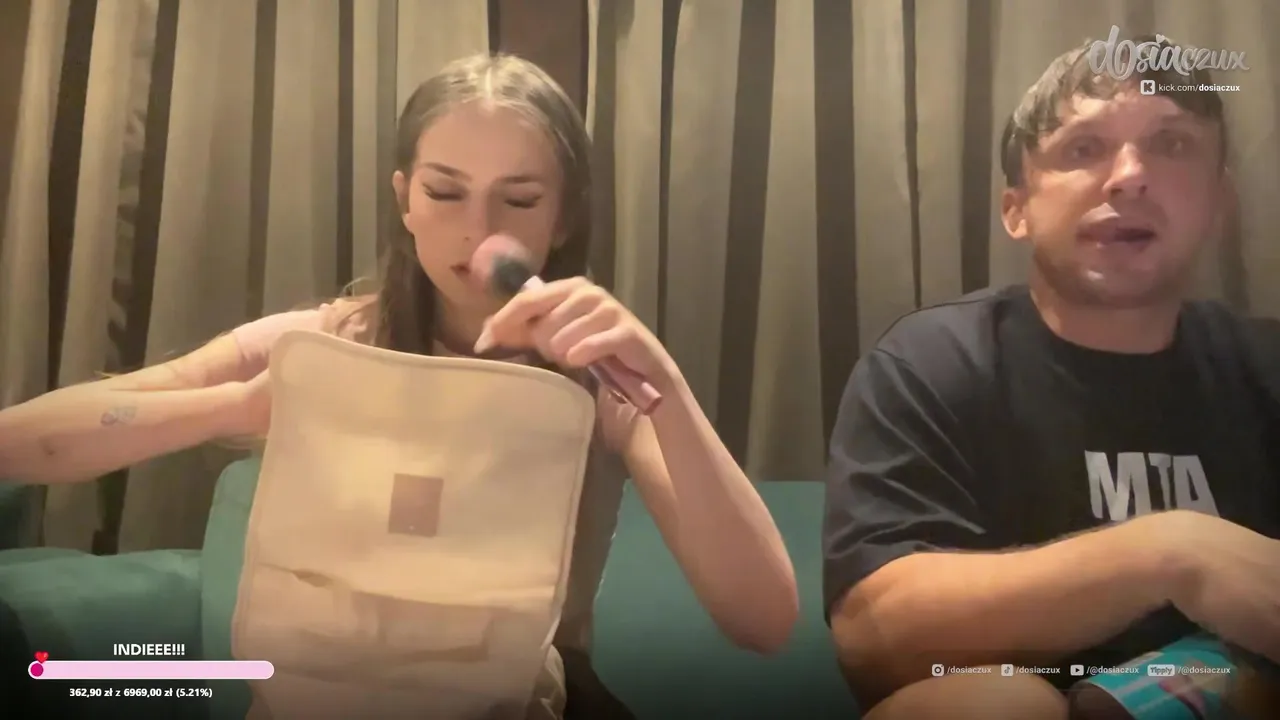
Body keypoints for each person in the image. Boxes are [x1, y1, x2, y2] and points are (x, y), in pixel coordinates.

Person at [0, 53, 799, 719]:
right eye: (444, 192)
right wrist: (241, 406)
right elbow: (23, 444)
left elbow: (764, 620)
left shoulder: (596, 378)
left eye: (519, 199)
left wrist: (665, 386)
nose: (477, 229)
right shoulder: (325, 342)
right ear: (403, 201)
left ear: (561, 218)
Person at [822, 35, 1280, 720]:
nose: (1130, 177)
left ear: (1219, 203)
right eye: (1084, 148)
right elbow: (873, 637)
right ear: (1017, 208)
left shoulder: (1264, 368)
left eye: (1172, 144)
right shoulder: (930, 364)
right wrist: (1171, 555)